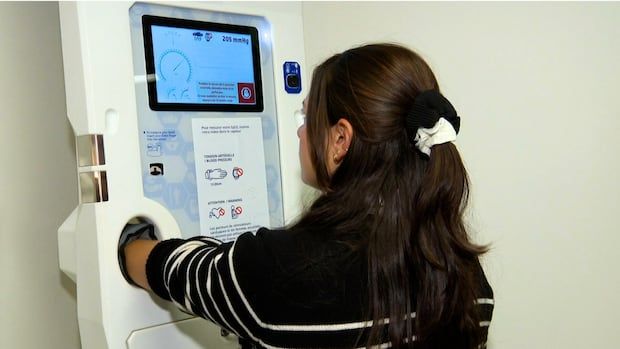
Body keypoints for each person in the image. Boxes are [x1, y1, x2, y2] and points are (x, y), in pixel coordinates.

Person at [121, 43, 494, 349]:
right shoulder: (465, 276)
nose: (301, 134)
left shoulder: (279, 269)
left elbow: (170, 269)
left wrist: (130, 239)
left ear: (340, 140)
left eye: (306, 119)